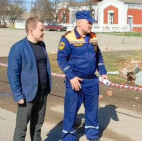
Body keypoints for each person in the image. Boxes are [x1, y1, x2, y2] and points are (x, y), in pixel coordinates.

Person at [57, 11, 108, 141]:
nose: (91, 25)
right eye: (88, 22)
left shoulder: (93, 38)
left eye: (91, 23)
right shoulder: (68, 38)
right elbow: (61, 59)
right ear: (79, 22)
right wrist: (71, 77)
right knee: (71, 112)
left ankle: (92, 136)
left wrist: (103, 72)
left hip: (92, 82)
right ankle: (68, 137)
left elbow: (99, 57)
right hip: (76, 82)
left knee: (92, 111)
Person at [7, 17, 52, 141]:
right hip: (27, 95)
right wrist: (18, 95)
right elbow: (13, 73)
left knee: (37, 126)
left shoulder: (42, 45)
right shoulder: (18, 48)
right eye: (41, 30)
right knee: (21, 129)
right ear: (31, 31)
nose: (44, 32)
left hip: (42, 93)